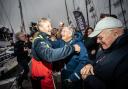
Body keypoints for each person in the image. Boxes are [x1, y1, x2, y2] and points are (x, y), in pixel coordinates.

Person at [31, 18, 80, 89]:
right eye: (48, 26)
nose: (51, 28)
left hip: (47, 76)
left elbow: (55, 45)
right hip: (41, 80)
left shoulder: (45, 39)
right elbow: (49, 55)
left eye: (50, 26)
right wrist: (72, 48)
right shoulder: (39, 41)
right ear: (41, 28)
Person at [81, 17, 128, 89]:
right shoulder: (107, 47)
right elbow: (98, 61)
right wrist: (90, 65)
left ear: (115, 34)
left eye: (100, 38)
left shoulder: (125, 58)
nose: (97, 41)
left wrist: (88, 78)